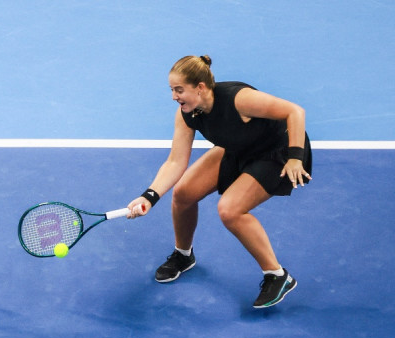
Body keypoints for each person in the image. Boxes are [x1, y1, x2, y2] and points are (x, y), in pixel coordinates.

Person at [126, 55, 312, 309]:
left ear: (200, 87)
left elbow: (295, 111)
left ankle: (277, 275)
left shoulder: (239, 99)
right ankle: (183, 255)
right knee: (183, 193)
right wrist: (149, 197)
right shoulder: (187, 114)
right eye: (171, 90)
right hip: (239, 147)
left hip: (277, 151)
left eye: (179, 90)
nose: (174, 97)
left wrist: (295, 157)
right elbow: (175, 162)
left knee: (230, 210)